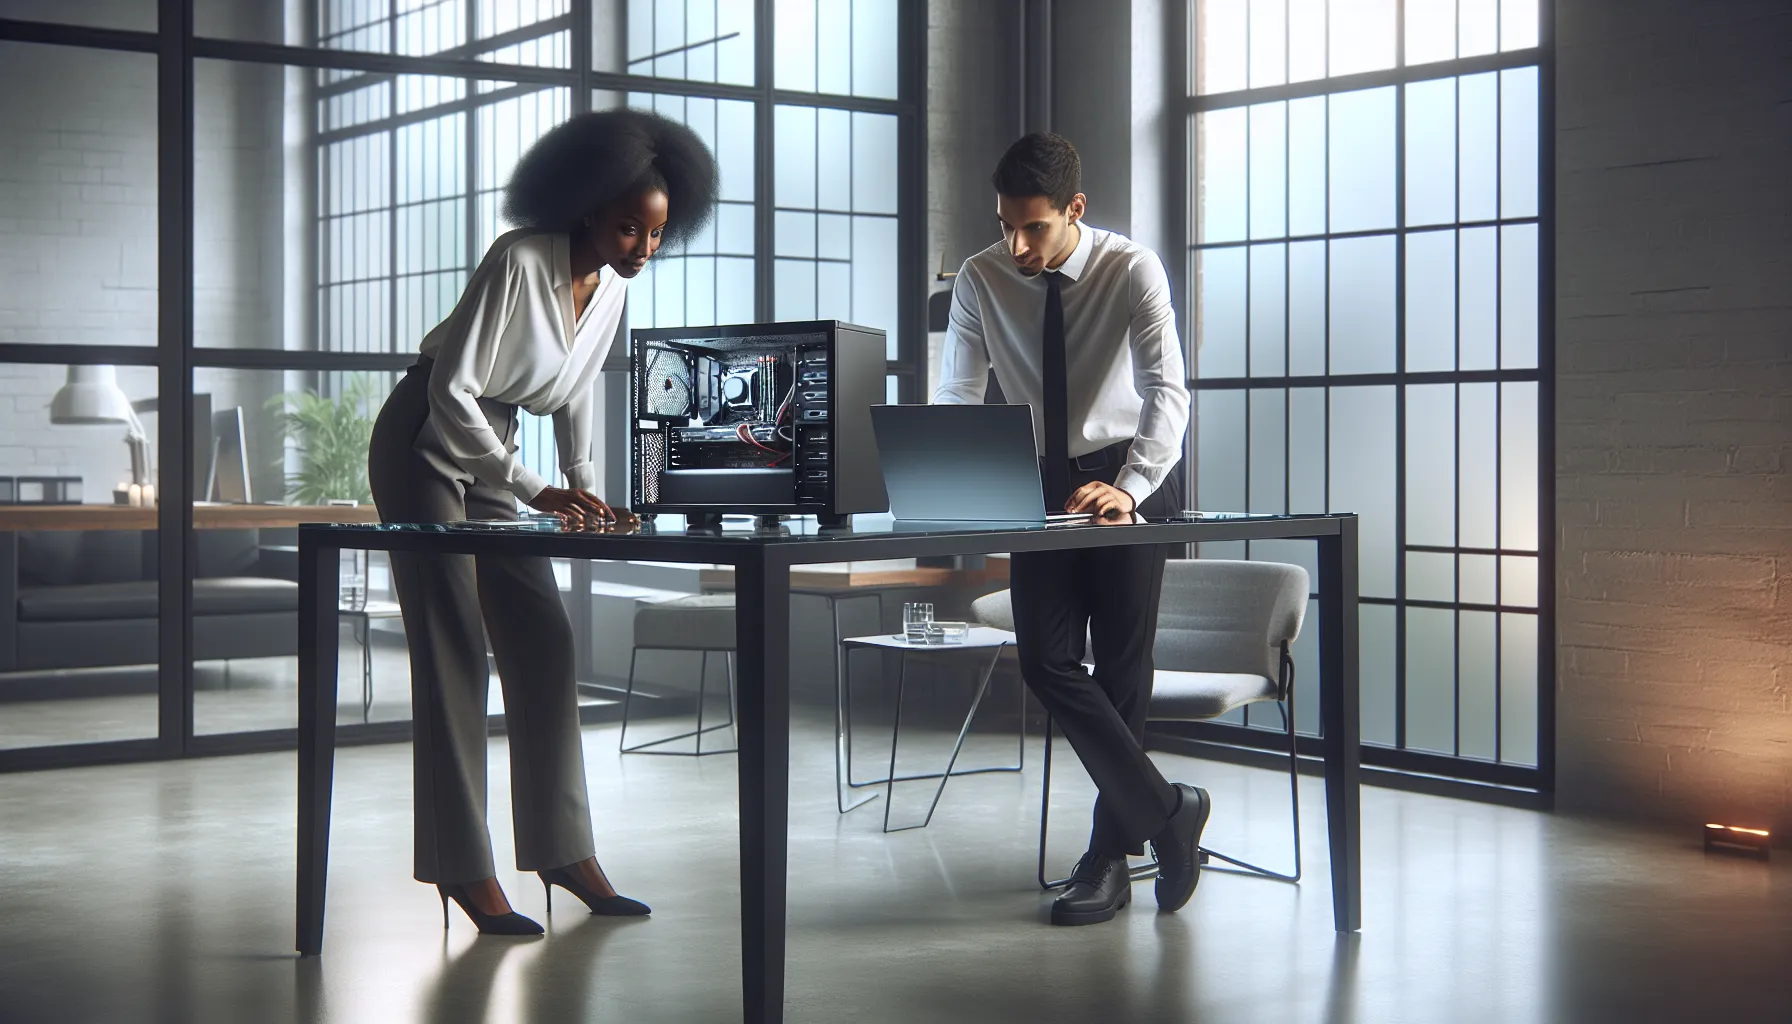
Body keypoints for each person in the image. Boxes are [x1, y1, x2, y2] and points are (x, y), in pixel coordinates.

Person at [367, 108, 717, 936]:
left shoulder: (615, 290)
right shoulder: (519, 259)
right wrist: (532, 488)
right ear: (589, 205)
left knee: (544, 639)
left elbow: (578, 389)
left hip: (501, 450)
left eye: (657, 234)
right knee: (455, 648)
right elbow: (452, 388)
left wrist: (584, 489)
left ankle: (562, 850)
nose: (641, 247)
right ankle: (463, 868)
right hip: (428, 436)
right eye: (629, 226)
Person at [933, 132, 1205, 926]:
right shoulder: (983, 277)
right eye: (1005, 225)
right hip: (1037, 476)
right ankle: (1169, 809)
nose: (1016, 245)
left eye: (1035, 228)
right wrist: (950, 470)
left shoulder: (1132, 268)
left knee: (1122, 669)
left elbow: (1168, 390)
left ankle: (1107, 858)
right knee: (1049, 660)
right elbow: (959, 390)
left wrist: (1131, 488)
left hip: (1129, 466)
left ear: (1075, 210)